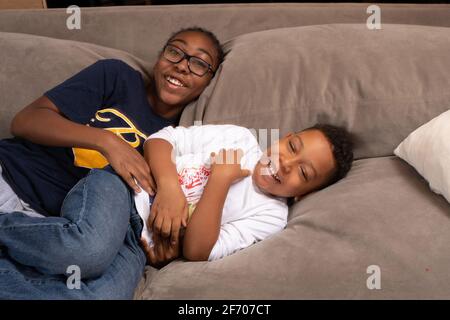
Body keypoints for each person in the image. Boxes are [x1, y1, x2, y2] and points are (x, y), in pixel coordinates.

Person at [0, 27, 224, 299]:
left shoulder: (182, 142)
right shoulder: (117, 78)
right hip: (12, 176)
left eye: (199, 63)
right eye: (175, 51)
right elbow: (25, 121)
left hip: (52, 233)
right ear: (160, 56)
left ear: (210, 82)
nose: (182, 66)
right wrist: (108, 142)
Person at [136, 123, 354, 264]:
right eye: (292, 147)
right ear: (283, 138)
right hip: (133, 191)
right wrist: (170, 189)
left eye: (304, 172)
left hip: (142, 248)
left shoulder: (271, 216)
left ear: (306, 194)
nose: (286, 163)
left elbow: (197, 251)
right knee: (99, 250)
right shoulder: (240, 139)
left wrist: (219, 180)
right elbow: (160, 139)